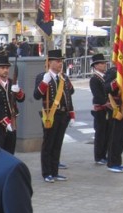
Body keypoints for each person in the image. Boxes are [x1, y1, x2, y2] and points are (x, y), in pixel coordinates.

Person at [33, 49, 75, 183]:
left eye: (61, 61)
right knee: (48, 145)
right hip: (50, 115)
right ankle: (47, 173)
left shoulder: (63, 77)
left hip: (63, 115)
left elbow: (70, 95)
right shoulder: (43, 76)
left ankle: (55, 171)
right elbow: (36, 95)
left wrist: (71, 114)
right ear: (49, 62)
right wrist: (44, 82)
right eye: (57, 61)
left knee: (58, 144)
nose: (60, 64)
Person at [0, 55, 25, 154]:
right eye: (3, 68)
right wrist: (6, 122)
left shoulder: (13, 83)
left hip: (12, 122)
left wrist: (18, 91)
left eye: (7, 68)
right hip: (0, 126)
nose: (6, 70)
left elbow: (21, 99)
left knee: (11, 151)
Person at [104, 59, 123, 173]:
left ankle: (118, 162)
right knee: (114, 137)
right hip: (116, 108)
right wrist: (117, 81)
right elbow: (106, 88)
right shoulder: (113, 72)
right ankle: (112, 162)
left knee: (121, 138)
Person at [89, 53, 111, 165]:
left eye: (104, 63)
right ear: (96, 65)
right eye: (102, 63)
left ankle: (104, 154)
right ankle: (98, 156)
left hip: (107, 108)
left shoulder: (104, 77)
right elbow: (97, 94)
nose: (104, 65)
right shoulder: (95, 79)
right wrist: (105, 102)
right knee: (100, 133)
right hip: (101, 108)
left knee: (107, 133)